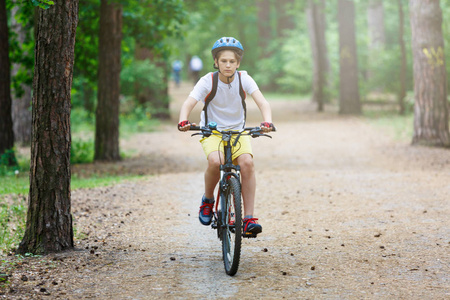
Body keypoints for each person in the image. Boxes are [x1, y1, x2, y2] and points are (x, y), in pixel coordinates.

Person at [178, 37, 275, 237]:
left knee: (247, 163)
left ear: (238, 63)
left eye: (232, 61)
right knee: (216, 161)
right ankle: (207, 200)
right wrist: (183, 120)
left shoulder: (244, 79)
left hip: (238, 132)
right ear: (216, 62)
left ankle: (248, 218)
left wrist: (267, 122)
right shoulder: (208, 81)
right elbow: (189, 102)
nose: (228, 65)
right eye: (223, 61)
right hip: (212, 132)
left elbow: (263, 103)